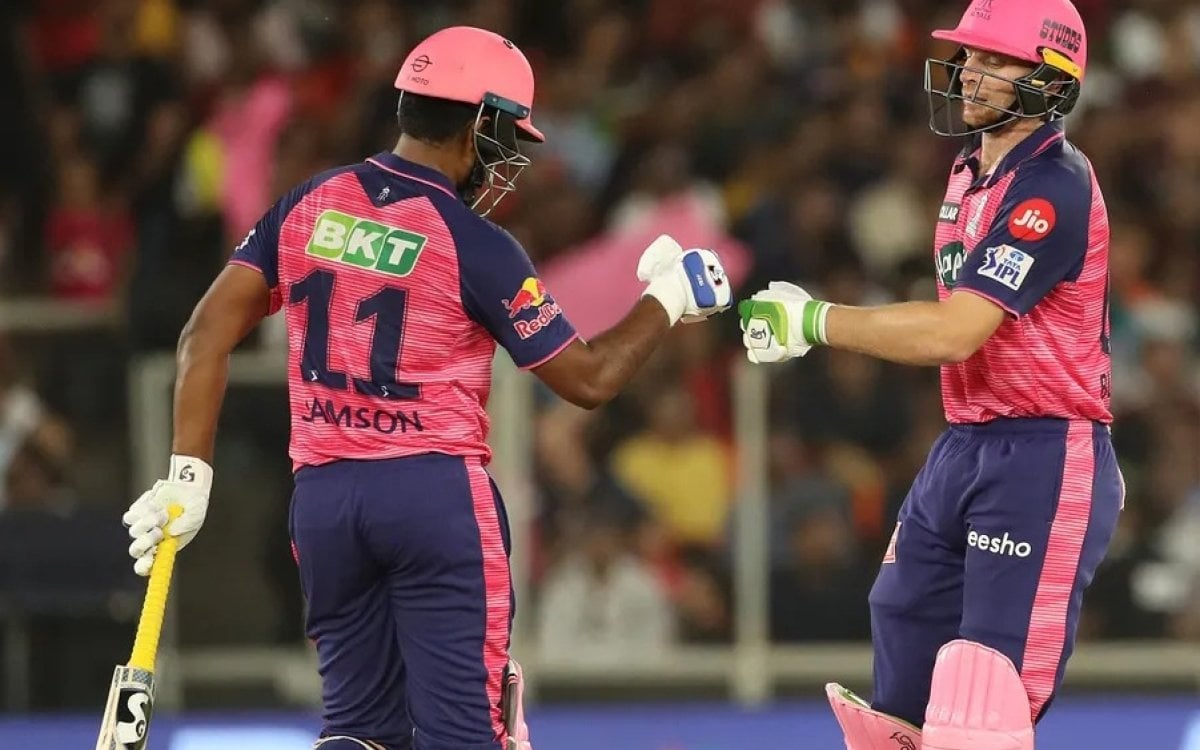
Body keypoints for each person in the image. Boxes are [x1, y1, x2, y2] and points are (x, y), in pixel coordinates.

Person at [119, 26, 730, 750]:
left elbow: (204, 334)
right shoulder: (475, 243)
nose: (507, 160)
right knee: (465, 737)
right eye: (507, 136)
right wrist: (668, 297)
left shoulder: (310, 203)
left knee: (355, 731)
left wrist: (188, 475)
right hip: (433, 498)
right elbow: (588, 379)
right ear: (478, 125)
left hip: (325, 502)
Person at [738, 1, 1121, 748]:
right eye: (969, 56)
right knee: (901, 650)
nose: (969, 72)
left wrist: (815, 321)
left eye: (994, 60)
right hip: (965, 443)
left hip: (1044, 454)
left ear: (1050, 79)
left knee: (983, 703)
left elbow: (956, 331)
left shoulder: (1054, 185)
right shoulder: (970, 172)